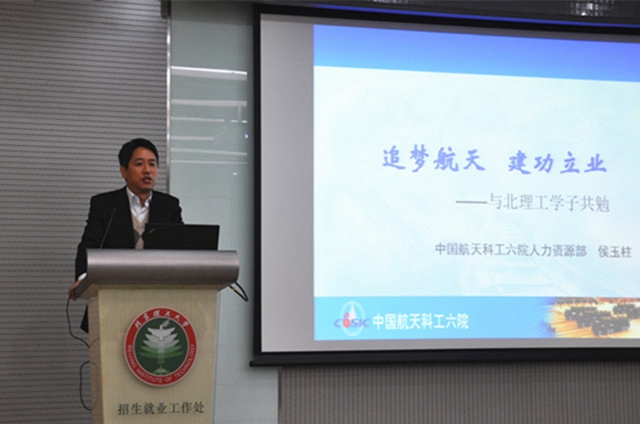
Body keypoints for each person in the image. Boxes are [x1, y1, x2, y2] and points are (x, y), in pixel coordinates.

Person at [68, 138, 183, 332]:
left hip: (158, 301)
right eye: (139, 164)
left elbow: (181, 246)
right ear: (123, 171)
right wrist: (84, 277)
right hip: (113, 299)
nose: (147, 170)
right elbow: (90, 244)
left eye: (152, 164)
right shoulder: (105, 205)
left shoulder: (169, 205)